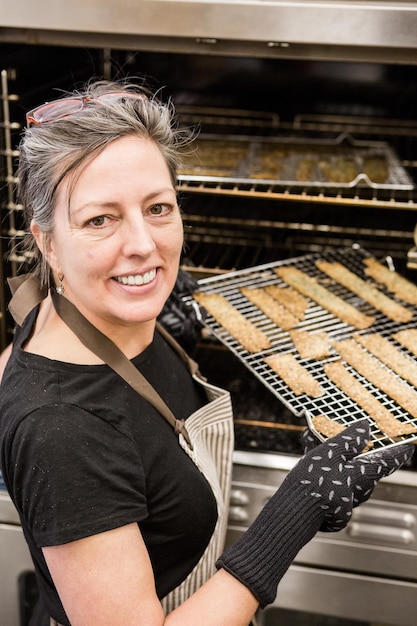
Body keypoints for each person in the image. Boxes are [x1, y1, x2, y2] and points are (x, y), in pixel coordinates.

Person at [0, 78, 413, 626]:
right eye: (100, 219)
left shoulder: (78, 313)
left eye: (158, 208)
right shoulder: (62, 431)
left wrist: (145, 297)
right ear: (48, 242)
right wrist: (296, 512)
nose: (144, 245)